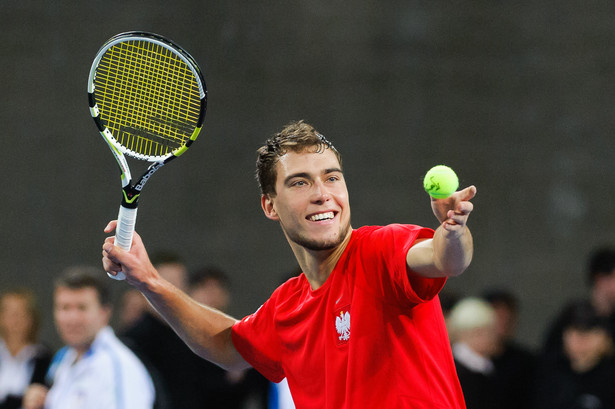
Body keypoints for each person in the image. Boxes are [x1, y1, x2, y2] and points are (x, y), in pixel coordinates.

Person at [102, 120, 476, 409]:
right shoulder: (287, 307)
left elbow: (444, 258)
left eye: (332, 177)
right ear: (270, 206)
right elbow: (228, 347)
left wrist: (453, 230)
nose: (322, 194)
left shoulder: (382, 249)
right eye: (300, 183)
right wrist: (149, 280)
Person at [22, 266, 154, 409]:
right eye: (65, 307)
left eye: (82, 308)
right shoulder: (64, 359)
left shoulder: (118, 368)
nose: (72, 319)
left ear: (104, 313)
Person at [120, 252, 209, 409]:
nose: (172, 290)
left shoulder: (196, 336)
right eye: (166, 282)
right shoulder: (130, 343)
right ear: (145, 285)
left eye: (178, 283)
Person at [188, 266, 270, 409]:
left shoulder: (237, 336)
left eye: (218, 288)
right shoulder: (175, 335)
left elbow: (255, 384)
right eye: (205, 288)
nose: (212, 295)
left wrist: (237, 375)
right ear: (190, 293)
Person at [532, 300, 615, 409]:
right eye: (575, 331)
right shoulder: (546, 373)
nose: (582, 340)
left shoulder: (610, 378)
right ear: (563, 336)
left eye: (590, 332)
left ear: (605, 339)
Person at [481, 288, 536, 409]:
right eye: (498, 318)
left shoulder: (525, 362)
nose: (503, 323)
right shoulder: (464, 361)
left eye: (507, 318)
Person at [0, 289, 51, 409]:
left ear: (31, 319)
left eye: (20, 314)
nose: (14, 321)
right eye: (9, 314)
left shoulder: (42, 357)